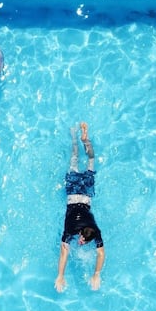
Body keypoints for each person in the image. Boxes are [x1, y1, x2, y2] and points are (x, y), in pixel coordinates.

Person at [55, 122, 105, 293]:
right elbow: (64, 253)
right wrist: (60, 276)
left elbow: (101, 253)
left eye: (83, 241)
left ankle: (79, 137)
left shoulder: (95, 232)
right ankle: (79, 139)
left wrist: (97, 274)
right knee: (76, 160)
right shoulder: (71, 230)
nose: (81, 242)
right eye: (83, 240)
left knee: (90, 161)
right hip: (75, 195)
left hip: (85, 197)